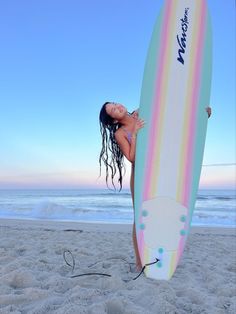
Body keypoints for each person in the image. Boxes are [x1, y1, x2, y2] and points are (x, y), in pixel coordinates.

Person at [99, 102, 211, 270]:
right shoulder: (120, 134)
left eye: (115, 104)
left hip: (159, 172)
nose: (117, 107)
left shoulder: (142, 112)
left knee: (163, 212)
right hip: (140, 176)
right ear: (114, 121)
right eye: (113, 110)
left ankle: (160, 254)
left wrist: (201, 116)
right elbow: (132, 157)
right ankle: (139, 262)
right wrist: (135, 134)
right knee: (140, 218)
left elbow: (172, 121)